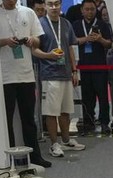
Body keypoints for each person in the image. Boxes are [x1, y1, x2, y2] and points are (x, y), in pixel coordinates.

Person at [0, 0, 51, 168]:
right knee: (7, 121)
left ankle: (35, 157)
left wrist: (30, 40)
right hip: (4, 77)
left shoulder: (28, 12)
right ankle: (9, 159)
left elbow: (38, 41)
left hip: (26, 75)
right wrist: (5, 41)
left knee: (29, 119)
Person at [33, 0, 86, 158]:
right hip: (49, 74)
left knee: (66, 110)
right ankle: (54, 144)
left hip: (66, 73)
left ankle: (66, 140)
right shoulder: (39, 24)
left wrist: (74, 70)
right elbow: (34, 50)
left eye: (57, 4)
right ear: (46, 6)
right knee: (51, 112)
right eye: (50, 4)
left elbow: (70, 47)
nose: (54, 7)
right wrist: (48, 55)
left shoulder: (66, 23)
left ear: (61, 5)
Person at [73, 0, 113, 136]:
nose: (89, 12)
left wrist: (100, 39)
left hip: (100, 65)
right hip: (83, 66)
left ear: (96, 10)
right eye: (87, 9)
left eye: (92, 9)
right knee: (87, 96)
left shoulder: (102, 24)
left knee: (102, 95)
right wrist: (87, 38)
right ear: (82, 10)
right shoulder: (77, 25)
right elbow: (73, 41)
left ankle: (104, 122)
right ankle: (89, 122)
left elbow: (109, 44)